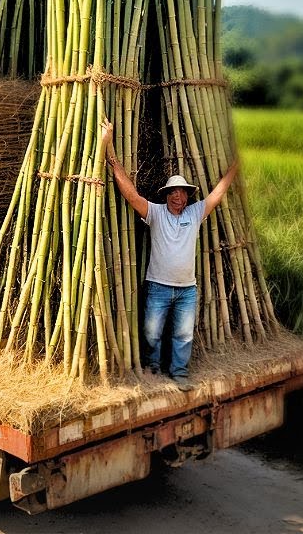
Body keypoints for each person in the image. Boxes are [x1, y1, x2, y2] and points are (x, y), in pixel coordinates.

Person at [100, 119, 238, 391]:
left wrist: (235, 168)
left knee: (183, 335)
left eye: (182, 193)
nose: (178, 197)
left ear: (187, 196)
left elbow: (217, 194)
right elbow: (131, 196)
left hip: (187, 289)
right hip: (158, 286)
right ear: (166, 195)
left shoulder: (195, 213)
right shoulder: (156, 213)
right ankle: (152, 369)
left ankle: (179, 373)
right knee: (152, 332)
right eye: (173, 192)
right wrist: (112, 158)